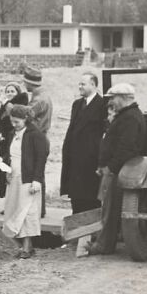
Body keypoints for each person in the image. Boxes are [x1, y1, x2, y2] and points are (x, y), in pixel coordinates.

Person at [88, 83, 146, 255]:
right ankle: (107, 242)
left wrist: (110, 167)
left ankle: (104, 245)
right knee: (109, 207)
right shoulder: (128, 115)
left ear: (123, 98)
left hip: (118, 170)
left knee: (110, 208)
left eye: (113, 97)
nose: (110, 101)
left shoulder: (130, 118)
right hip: (117, 168)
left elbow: (126, 148)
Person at [1, 105, 50, 259]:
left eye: (17, 122)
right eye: (12, 122)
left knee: (27, 211)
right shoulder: (12, 134)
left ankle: (28, 247)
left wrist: (37, 180)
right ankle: (21, 244)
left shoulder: (35, 134)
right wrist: (7, 171)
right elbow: (9, 155)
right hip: (14, 177)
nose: (14, 125)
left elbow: (41, 158)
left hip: (28, 179)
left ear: (26, 119)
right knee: (14, 210)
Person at [60, 72, 107, 214]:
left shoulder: (102, 105)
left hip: (90, 160)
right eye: (79, 84)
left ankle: (91, 234)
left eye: (83, 84)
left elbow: (104, 132)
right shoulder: (77, 104)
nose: (79, 87)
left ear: (93, 85)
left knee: (90, 198)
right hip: (75, 158)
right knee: (77, 197)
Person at [22, 65, 52, 217]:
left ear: (29, 82)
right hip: (41, 138)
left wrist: (7, 105)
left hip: (37, 139)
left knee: (36, 174)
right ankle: (39, 209)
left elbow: (24, 115)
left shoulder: (38, 99)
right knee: (38, 174)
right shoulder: (41, 95)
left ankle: (38, 209)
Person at [0, 82, 29, 199]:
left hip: (14, 141)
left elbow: (14, 116)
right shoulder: (4, 106)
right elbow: (2, 125)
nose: (9, 93)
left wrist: (5, 102)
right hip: (4, 141)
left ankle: (15, 200)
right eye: (7, 91)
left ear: (17, 93)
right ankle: (8, 200)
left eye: (12, 91)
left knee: (12, 170)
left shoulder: (19, 103)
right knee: (4, 171)